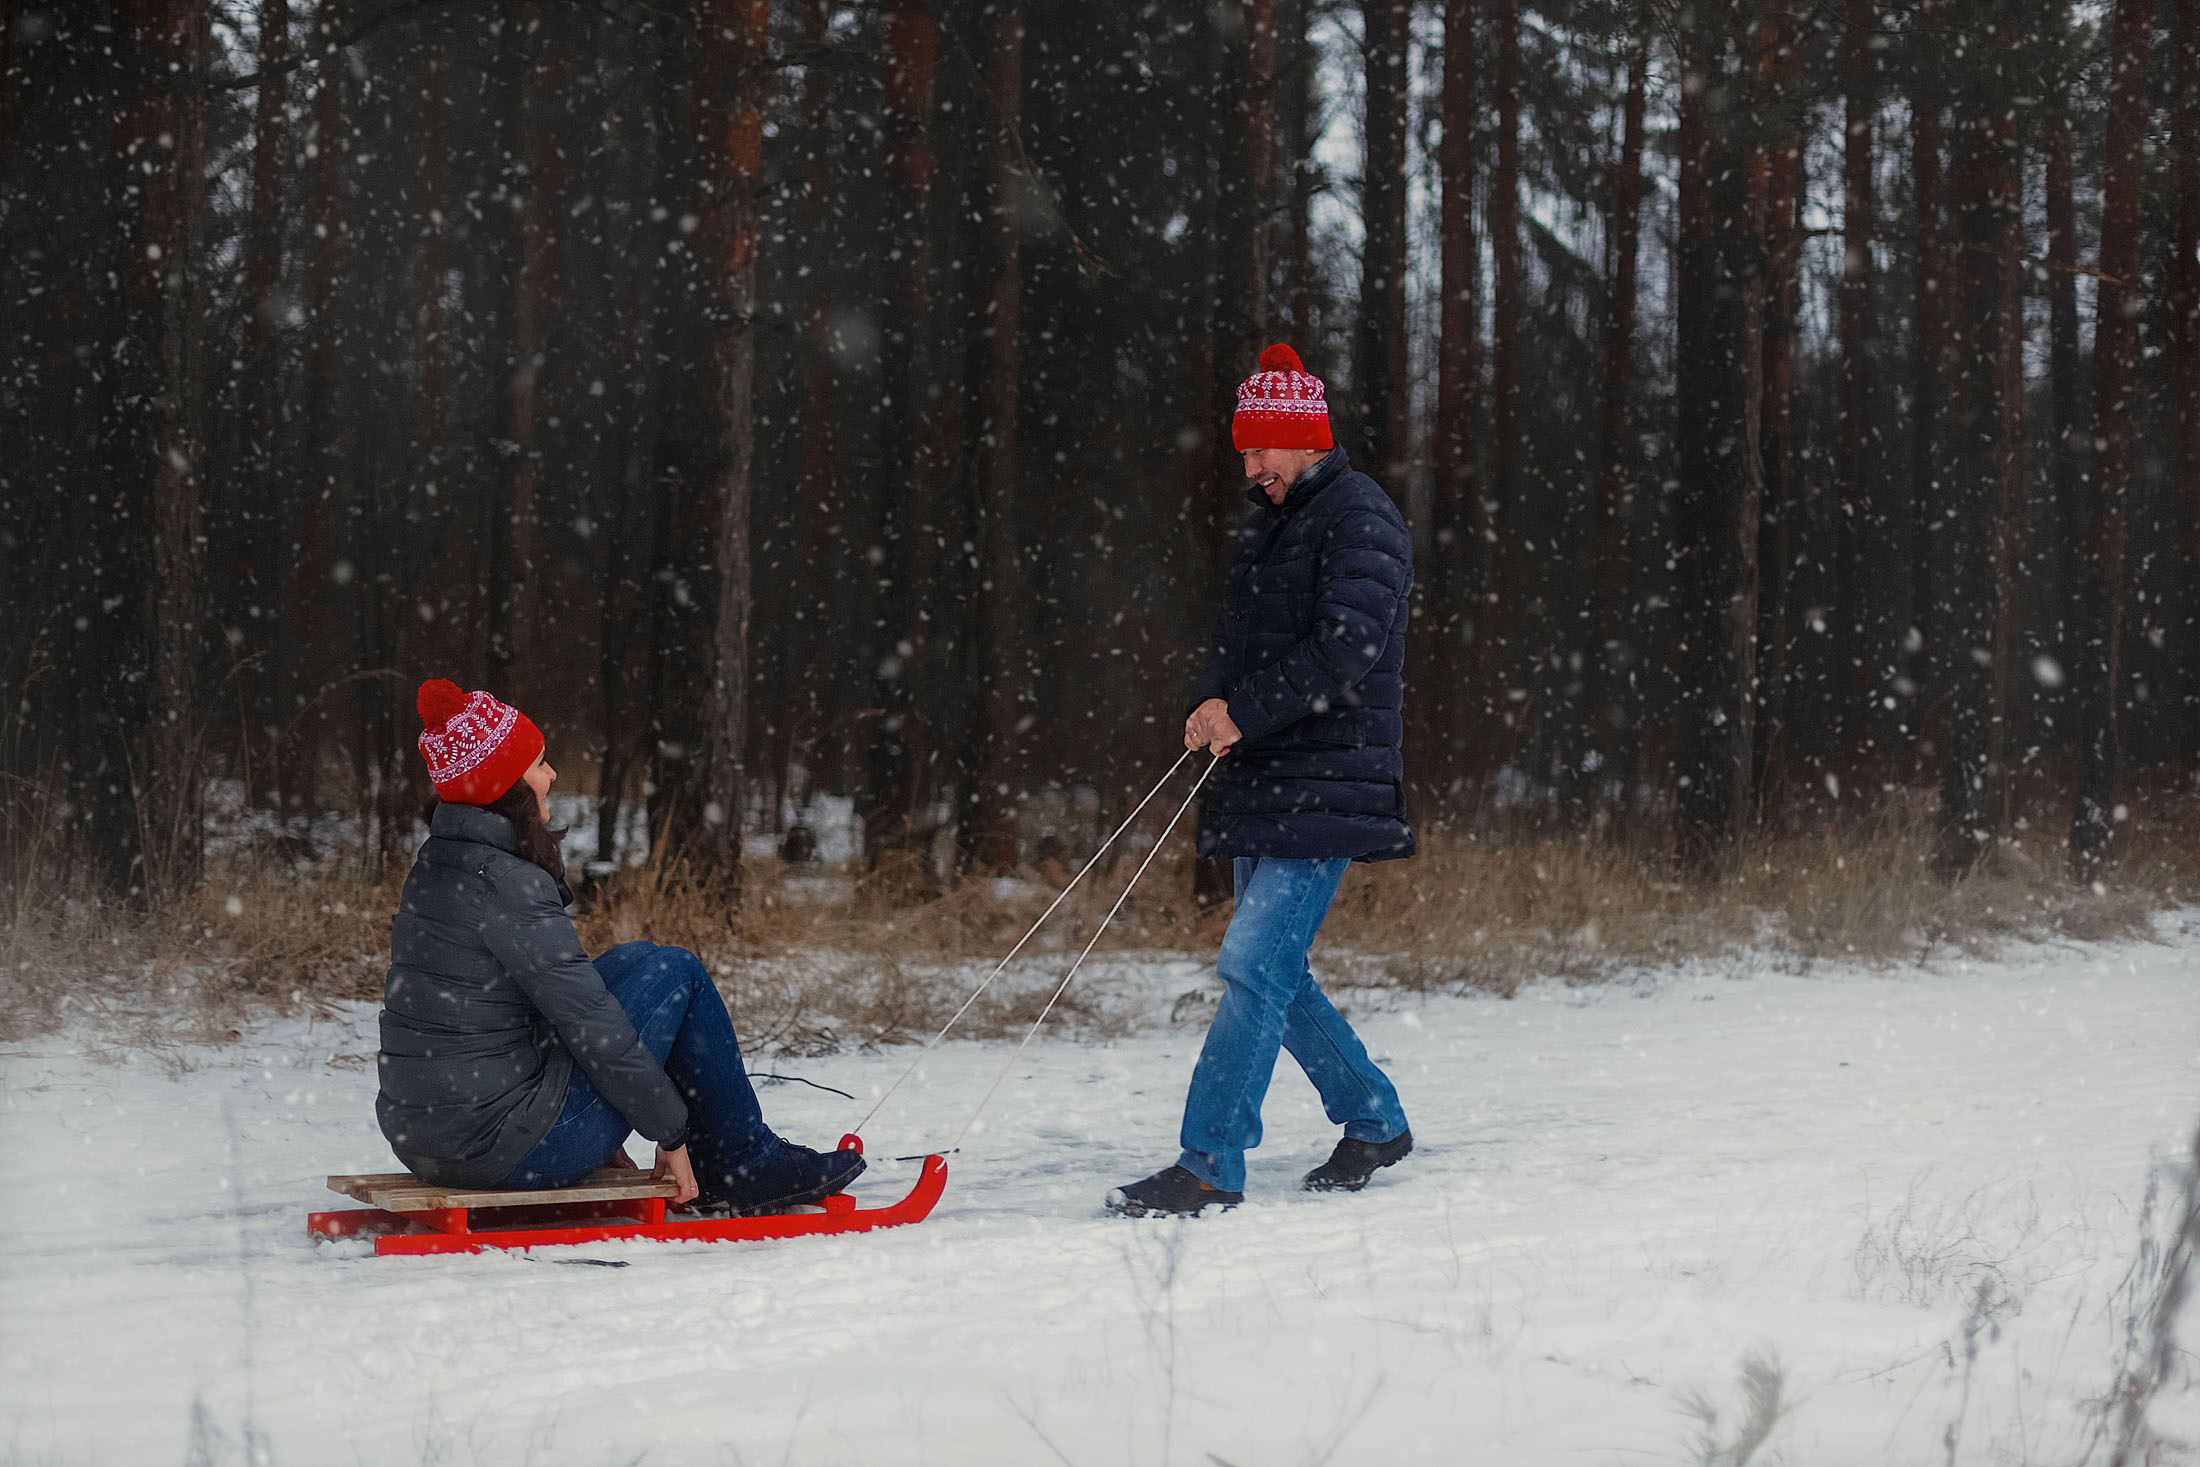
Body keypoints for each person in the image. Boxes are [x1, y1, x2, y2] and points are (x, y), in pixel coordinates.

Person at [1107, 343, 1415, 1218]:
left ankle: (1209, 1162)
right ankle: (1374, 1116)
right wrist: (1212, 698)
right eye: (1245, 452)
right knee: (1276, 970)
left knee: (1251, 960)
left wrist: (1247, 710)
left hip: (1331, 781)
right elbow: (1240, 644)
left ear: (1309, 440)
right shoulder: (1272, 524)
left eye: (1266, 452)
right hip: (1268, 778)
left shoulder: (1362, 517)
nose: (1255, 469)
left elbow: (1347, 646)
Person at [375, 678, 864, 1213]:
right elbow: (590, 1025)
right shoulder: (507, 882)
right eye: (539, 764)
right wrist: (671, 1133)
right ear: (506, 786)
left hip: (433, 1137)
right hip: (503, 1148)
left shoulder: (442, 863)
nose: (552, 774)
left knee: (639, 961)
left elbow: (510, 1011)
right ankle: (745, 1161)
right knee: (678, 972)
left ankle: (727, 1154)